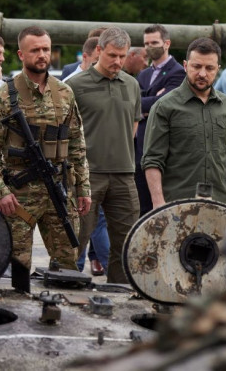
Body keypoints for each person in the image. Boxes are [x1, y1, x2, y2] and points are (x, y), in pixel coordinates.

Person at [0, 26, 91, 279]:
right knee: (16, 269)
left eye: (46, 49)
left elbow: (76, 144)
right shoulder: (4, 96)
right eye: (35, 50)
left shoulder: (64, 92)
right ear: (21, 54)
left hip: (60, 191)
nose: (42, 55)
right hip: (19, 197)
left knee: (67, 267)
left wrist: (83, 189)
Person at [69, 27, 142, 283]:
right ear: (98, 50)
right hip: (87, 175)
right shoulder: (75, 86)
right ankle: (65, 288)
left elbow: (133, 125)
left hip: (124, 175)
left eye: (122, 56)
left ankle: (120, 291)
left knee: (126, 242)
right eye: (112, 55)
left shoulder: (132, 84)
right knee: (75, 238)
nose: (118, 62)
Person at [142, 38, 226, 210]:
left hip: (219, 205)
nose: (203, 74)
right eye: (197, 66)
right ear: (185, 65)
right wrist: (158, 202)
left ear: (218, 69)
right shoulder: (165, 106)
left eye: (209, 68)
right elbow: (152, 159)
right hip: (176, 206)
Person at [62, 36, 109, 276]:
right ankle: (77, 267)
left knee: (93, 219)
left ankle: (77, 267)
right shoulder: (71, 83)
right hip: (78, 162)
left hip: (96, 161)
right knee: (84, 219)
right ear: (92, 54)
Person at [135, 24, 186, 215]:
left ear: (167, 43)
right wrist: (151, 101)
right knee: (143, 208)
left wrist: (146, 103)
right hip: (140, 147)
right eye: (146, 43)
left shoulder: (178, 72)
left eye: (154, 42)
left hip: (164, 148)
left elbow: (164, 104)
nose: (149, 47)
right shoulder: (144, 73)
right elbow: (135, 103)